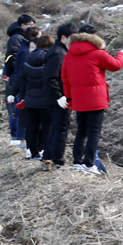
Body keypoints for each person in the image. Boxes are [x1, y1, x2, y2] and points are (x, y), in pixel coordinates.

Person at [60, 24, 123, 175]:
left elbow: (65, 79)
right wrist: (122, 54)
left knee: (81, 131)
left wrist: (70, 98)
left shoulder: (69, 54)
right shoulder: (97, 53)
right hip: (95, 99)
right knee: (94, 133)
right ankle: (89, 164)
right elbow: (116, 65)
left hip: (78, 100)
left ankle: (77, 162)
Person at [9, 34, 52, 162]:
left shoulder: (27, 60)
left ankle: (32, 152)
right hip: (45, 100)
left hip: (29, 100)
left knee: (32, 127)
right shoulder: (50, 59)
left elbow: (20, 79)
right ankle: (45, 151)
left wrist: (14, 93)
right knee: (46, 127)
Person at [42, 23, 77, 169]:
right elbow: (51, 77)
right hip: (57, 97)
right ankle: (58, 159)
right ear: (63, 37)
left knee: (57, 126)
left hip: (57, 96)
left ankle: (48, 157)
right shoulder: (58, 53)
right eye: (72, 38)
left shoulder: (60, 51)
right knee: (61, 127)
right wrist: (59, 96)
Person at [2, 14, 35, 148]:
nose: (31, 27)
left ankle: (20, 137)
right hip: (17, 78)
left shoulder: (22, 38)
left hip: (20, 77)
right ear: (22, 25)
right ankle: (16, 137)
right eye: (29, 25)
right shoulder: (17, 38)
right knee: (17, 107)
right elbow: (12, 58)